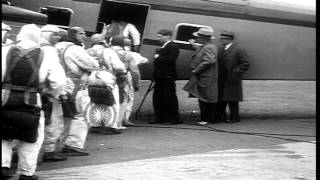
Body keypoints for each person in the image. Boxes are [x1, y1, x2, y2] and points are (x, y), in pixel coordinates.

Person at [2, 24, 66, 180]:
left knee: (3, 134)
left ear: (19, 36)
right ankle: (26, 173)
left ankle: (2, 167)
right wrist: (52, 94)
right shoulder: (47, 54)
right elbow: (59, 82)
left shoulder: (4, 50)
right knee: (31, 137)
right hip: (32, 100)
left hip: (4, 98)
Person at [55, 27, 99, 156]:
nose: (84, 36)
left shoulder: (55, 46)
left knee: (61, 116)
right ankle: (72, 144)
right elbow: (93, 65)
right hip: (76, 85)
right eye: (80, 33)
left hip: (58, 84)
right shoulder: (75, 49)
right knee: (81, 114)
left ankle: (54, 146)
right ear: (72, 35)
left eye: (84, 33)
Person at [86, 33, 127, 134]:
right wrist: (123, 73)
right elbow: (119, 67)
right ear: (103, 41)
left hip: (91, 76)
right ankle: (111, 126)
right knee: (113, 101)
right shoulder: (108, 51)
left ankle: (96, 124)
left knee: (95, 100)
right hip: (106, 77)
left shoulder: (87, 51)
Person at [110, 36, 148, 128]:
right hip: (122, 78)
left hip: (105, 77)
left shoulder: (104, 51)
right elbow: (135, 71)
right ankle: (119, 122)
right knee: (124, 100)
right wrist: (136, 84)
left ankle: (100, 121)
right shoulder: (129, 54)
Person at [183, 27, 219, 125]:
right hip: (204, 76)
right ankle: (206, 118)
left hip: (206, 76)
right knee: (203, 97)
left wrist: (197, 70)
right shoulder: (206, 46)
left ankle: (207, 119)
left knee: (205, 98)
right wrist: (193, 45)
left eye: (198, 37)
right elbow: (201, 51)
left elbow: (209, 60)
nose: (196, 38)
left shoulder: (209, 47)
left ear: (203, 38)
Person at [217, 31, 250, 123]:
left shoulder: (239, 49)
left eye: (223, 39)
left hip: (232, 78)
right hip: (222, 78)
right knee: (222, 99)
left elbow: (245, 64)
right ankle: (221, 117)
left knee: (233, 100)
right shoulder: (221, 48)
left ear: (229, 39)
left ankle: (235, 117)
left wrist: (235, 72)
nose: (221, 40)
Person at [150, 29, 181, 125]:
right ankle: (160, 117)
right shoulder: (165, 46)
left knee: (169, 97)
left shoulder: (173, 46)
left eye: (160, 36)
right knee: (158, 97)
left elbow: (171, 60)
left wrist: (157, 58)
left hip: (167, 76)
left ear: (167, 36)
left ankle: (173, 118)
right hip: (160, 76)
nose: (158, 38)